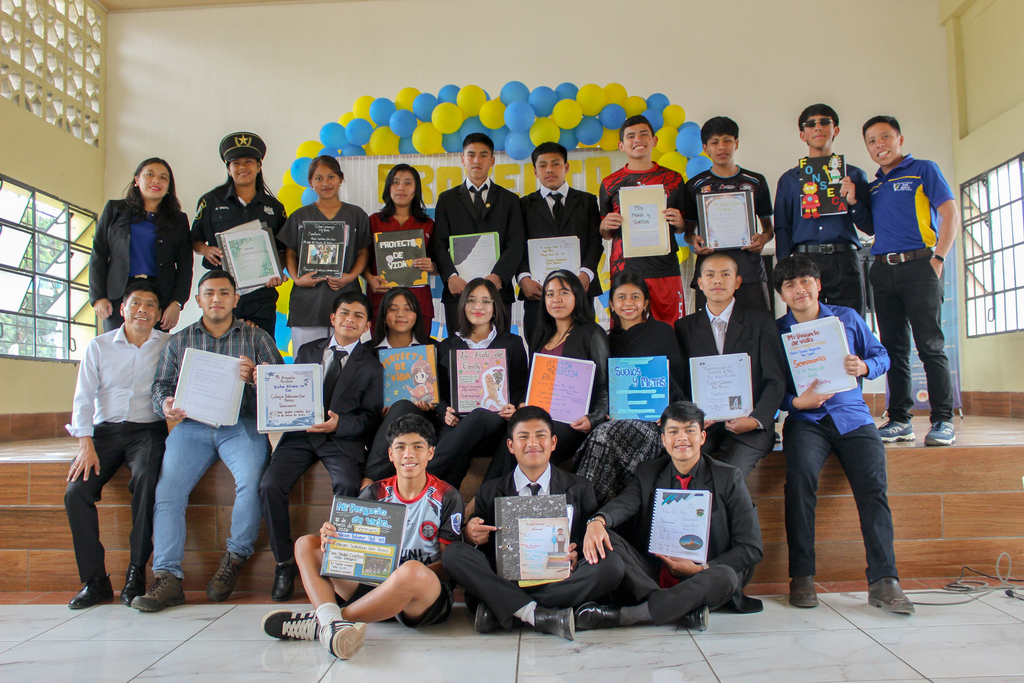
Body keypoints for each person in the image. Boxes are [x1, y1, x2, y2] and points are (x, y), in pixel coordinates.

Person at [132, 270, 283, 612]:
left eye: (224, 293)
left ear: (235, 299)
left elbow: (280, 386)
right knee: (168, 492)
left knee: (252, 482)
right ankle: (168, 576)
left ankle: (235, 557)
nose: (217, 299)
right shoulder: (179, 341)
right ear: (198, 300)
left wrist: (257, 378)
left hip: (240, 425)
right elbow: (161, 386)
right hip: (192, 427)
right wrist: (166, 405)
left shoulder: (256, 338)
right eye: (209, 293)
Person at [774, 255, 914, 613]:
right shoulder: (776, 331)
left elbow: (883, 356)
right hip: (807, 423)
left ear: (818, 284)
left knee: (873, 487)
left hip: (854, 418)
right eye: (790, 285)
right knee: (800, 482)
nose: (799, 289)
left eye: (805, 281)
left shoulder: (847, 318)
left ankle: (885, 581)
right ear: (782, 294)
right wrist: (795, 401)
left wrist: (865, 366)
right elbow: (770, 387)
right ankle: (801, 578)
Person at [261, 415, 464, 660]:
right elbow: (352, 551)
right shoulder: (374, 492)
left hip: (420, 598)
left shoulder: (447, 496)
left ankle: (327, 622)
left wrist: (398, 580)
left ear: (430, 453)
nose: (408, 454)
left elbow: (450, 565)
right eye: (400, 447)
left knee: (411, 571)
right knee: (307, 544)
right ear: (390, 454)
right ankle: (333, 624)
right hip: (372, 587)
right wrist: (331, 539)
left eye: (417, 447)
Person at [442, 406, 624, 640]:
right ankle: (539, 614)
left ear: (553, 442)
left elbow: (582, 540)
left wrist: (576, 553)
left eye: (540, 435)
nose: (532, 443)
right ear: (510, 445)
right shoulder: (490, 491)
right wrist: (470, 535)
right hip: (509, 578)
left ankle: (506, 607)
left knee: (613, 566)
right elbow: (485, 554)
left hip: (559, 579)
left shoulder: (580, 487)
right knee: (454, 553)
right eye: (523, 437)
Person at [580, 401, 763, 631]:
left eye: (690, 431)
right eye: (673, 431)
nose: (682, 438)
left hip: (704, 573)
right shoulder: (648, 472)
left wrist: (700, 569)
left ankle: (631, 615)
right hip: (654, 573)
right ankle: (683, 607)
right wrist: (598, 521)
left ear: (703, 437)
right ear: (663, 439)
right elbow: (625, 503)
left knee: (726, 576)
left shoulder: (728, 477)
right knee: (605, 535)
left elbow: (751, 548)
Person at [259, 291, 384, 601]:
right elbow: (286, 392)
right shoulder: (306, 350)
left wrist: (339, 424)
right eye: (344, 313)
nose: (350, 320)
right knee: (269, 485)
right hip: (300, 436)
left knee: (348, 484)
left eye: (358, 316)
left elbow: (369, 419)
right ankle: (284, 563)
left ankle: (340, 567)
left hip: (339, 440)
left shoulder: (372, 365)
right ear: (333, 318)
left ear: (367, 325)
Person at [64, 280, 170, 609]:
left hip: (148, 431)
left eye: (150, 305)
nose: (143, 310)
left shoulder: (170, 344)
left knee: (146, 481)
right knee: (76, 493)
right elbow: (83, 398)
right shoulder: (99, 346)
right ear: (122, 309)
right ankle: (95, 581)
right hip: (103, 432)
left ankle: (137, 571)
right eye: (135, 303)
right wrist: (85, 442)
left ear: (158, 313)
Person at [863, 116, 959, 447]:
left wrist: (939, 258)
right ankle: (900, 419)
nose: (880, 145)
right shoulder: (872, 186)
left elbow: (950, 213)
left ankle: (943, 420)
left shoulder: (923, 170)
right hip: (882, 271)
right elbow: (872, 227)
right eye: (872, 141)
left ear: (900, 139)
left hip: (920, 267)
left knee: (930, 346)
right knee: (893, 349)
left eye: (885, 137)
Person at [573, 273, 689, 505]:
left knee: (603, 436)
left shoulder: (663, 332)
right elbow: (602, 386)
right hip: (616, 420)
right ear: (612, 305)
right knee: (604, 435)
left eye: (635, 297)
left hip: (655, 424)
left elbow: (679, 381)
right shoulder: (605, 340)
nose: (628, 303)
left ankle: (582, 508)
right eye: (621, 297)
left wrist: (670, 414)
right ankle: (590, 510)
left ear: (646, 302)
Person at [487, 270, 608, 481]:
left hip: (572, 423)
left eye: (563, 293)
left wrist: (594, 418)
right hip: (538, 416)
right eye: (550, 294)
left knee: (527, 440)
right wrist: (524, 402)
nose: (556, 300)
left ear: (577, 296)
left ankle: (484, 501)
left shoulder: (591, 333)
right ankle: (487, 499)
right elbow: (532, 383)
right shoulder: (542, 335)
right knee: (515, 436)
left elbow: (606, 384)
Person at [675, 252, 786, 477]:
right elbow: (680, 382)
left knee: (728, 473)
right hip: (702, 427)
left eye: (725, 274)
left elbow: (775, 379)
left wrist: (756, 419)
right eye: (710, 275)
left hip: (750, 428)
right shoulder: (683, 328)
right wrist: (692, 419)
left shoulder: (761, 320)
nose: (717, 280)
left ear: (737, 281)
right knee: (682, 467)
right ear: (700, 283)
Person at [427, 277, 530, 490]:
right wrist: (443, 410)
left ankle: (421, 473)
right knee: (457, 452)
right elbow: (439, 391)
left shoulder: (512, 343)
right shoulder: (447, 346)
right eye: (472, 300)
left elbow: (522, 386)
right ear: (463, 305)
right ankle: (447, 504)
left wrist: (515, 407)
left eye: (486, 301)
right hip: (458, 422)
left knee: (480, 414)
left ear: (495, 307)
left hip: (496, 422)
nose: (478, 307)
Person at [774, 104, 873, 318]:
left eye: (824, 122)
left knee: (851, 322)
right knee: (806, 326)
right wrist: (784, 269)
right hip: (803, 260)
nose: (818, 127)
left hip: (844, 258)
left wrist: (853, 202)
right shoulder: (789, 180)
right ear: (803, 135)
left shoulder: (854, 175)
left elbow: (869, 227)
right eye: (811, 124)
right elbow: (782, 227)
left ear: (835, 130)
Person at [190, 132, 287, 338]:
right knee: (221, 352)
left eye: (249, 162)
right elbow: (193, 239)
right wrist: (206, 250)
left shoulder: (274, 207)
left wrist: (277, 272)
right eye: (236, 163)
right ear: (228, 168)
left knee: (261, 352)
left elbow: (284, 248)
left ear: (259, 166)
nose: (243, 167)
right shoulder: (210, 202)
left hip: (261, 296)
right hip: (221, 294)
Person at [431, 132, 525, 329]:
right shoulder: (447, 199)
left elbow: (515, 243)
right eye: (471, 154)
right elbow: (438, 244)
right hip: (458, 290)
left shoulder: (510, 200)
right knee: (459, 351)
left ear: (492, 161)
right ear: (463, 159)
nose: (476, 160)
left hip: (497, 291)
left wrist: (498, 277)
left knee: (498, 352)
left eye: (483, 155)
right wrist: (450, 277)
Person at [599, 115, 687, 324]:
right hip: (625, 269)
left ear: (654, 141)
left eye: (643, 134)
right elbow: (605, 232)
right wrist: (604, 226)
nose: (637, 139)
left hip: (664, 266)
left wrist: (680, 222)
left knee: (671, 328)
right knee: (626, 330)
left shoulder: (673, 179)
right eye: (631, 136)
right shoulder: (610, 183)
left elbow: (684, 226)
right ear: (621, 145)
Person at [682, 116, 774, 312]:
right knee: (709, 333)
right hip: (710, 271)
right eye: (714, 142)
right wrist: (694, 242)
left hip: (749, 269)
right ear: (705, 148)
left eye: (727, 140)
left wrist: (762, 240)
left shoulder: (756, 181)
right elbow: (688, 232)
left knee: (757, 329)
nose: (721, 147)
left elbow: (769, 228)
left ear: (736, 143)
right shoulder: (695, 186)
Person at [280, 155, 371, 351]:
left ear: (341, 179)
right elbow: (290, 253)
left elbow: (363, 252)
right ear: (310, 183)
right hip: (308, 303)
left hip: (346, 296)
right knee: (307, 366)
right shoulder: (300, 216)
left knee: (346, 366)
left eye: (331, 177)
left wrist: (350, 277)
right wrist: (297, 279)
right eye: (319, 178)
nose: (325, 183)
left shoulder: (356, 215)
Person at [90, 157, 192, 332]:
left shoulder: (178, 220)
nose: (156, 181)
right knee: (117, 351)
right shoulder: (115, 210)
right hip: (118, 295)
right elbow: (98, 254)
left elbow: (185, 265)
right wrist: (98, 297)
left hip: (160, 297)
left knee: (154, 353)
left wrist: (177, 303)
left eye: (163, 177)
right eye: (149, 175)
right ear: (137, 180)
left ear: (169, 187)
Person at [518, 142, 603, 343]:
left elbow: (595, 242)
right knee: (539, 348)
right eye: (543, 165)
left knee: (582, 347)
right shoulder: (523, 205)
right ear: (535, 171)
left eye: (555, 164)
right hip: (537, 292)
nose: (549, 169)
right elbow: (516, 246)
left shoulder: (587, 201)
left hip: (580, 289)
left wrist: (586, 275)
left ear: (566, 167)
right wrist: (524, 279)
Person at [362, 287, 438, 485]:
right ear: (384, 315)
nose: (401, 315)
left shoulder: (433, 348)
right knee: (401, 406)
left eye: (408, 309)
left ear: (416, 315)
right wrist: (377, 409)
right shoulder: (367, 351)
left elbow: (443, 394)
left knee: (404, 405)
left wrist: (432, 403)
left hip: (422, 420)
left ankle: (369, 480)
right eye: (393, 309)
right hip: (379, 424)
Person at [364, 163, 437, 332]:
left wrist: (432, 267)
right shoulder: (374, 221)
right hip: (382, 300)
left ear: (416, 189)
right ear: (388, 187)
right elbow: (362, 260)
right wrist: (370, 279)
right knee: (382, 355)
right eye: (395, 182)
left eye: (408, 183)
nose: (401, 188)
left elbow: (438, 265)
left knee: (418, 356)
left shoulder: (428, 224)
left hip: (418, 302)